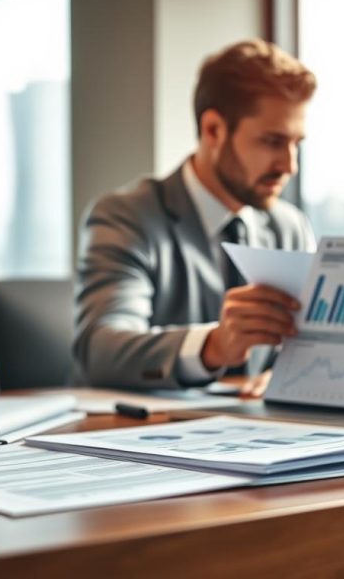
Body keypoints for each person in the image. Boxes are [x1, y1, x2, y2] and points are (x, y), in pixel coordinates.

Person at [74, 39, 317, 391]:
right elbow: (101, 351)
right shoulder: (126, 217)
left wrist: (288, 376)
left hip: (263, 432)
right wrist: (214, 346)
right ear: (214, 129)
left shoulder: (289, 227)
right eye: (272, 141)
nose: (289, 166)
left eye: (297, 144)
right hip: (148, 432)